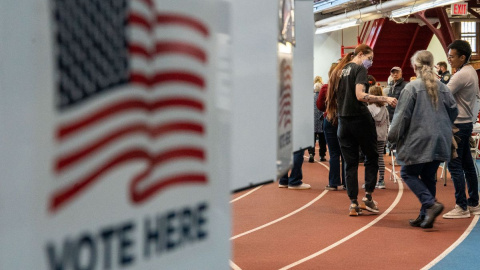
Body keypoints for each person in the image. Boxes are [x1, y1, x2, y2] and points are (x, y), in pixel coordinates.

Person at [389, 50, 458, 229]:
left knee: (407, 173)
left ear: (415, 67)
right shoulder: (443, 87)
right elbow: (453, 111)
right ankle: (425, 216)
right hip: (440, 139)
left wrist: (392, 137)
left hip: (419, 139)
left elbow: (401, 116)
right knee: (428, 176)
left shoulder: (411, 88)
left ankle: (431, 204)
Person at [326, 44, 397, 216]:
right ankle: (368, 197)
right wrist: (384, 98)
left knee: (349, 164)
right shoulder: (359, 70)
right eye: (370, 58)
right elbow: (360, 95)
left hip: (343, 122)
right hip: (360, 120)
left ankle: (353, 203)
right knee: (372, 156)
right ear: (360, 54)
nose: (370, 62)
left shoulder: (338, 72)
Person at [442, 40, 480, 219]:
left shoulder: (461, 75)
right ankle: (474, 202)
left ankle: (461, 206)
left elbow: (443, 95)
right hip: (465, 124)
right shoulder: (471, 71)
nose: (449, 59)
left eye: (451, 56)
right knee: (467, 165)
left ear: (462, 57)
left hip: (456, 125)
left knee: (454, 165)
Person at [317, 63, 345, 190]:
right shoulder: (347, 87)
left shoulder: (325, 88)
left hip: (330, 119)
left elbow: (320, 106)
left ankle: (333, 183)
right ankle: (347, 182)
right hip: (345, 120)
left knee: (334, 154)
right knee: (346, 153)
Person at [367, 85, 389, 189]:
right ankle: (381, 180)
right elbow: (388, 123)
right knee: (380, 157)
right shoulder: (384, 108)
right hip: (382, 135)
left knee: (370, 158)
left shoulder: (368, 108)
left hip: (371, 136)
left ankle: (370, 181)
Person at [309, 76, 327, 162]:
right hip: (321, 121)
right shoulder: (323, 97)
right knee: (322, 140)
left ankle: (311, 153)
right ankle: (322, 155)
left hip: (312, 122)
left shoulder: (310, 97)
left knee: (311, 139)